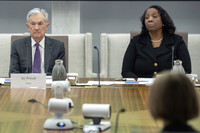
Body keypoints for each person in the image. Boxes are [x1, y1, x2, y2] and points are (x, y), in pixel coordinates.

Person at [121, 5, 191, 78]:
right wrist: (139, 83)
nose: (150, 19)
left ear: (163, 20)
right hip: (141, 87)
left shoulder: (177, 41)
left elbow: (187, 71)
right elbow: (126, 71)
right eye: (147, 17)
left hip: (169, 87)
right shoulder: (136, 41)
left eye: (154, 16)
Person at [9, 8, 65, 74]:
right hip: (26, 83)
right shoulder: (17, 46)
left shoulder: (58, 47)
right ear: (28, 26)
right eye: (33, 24)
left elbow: (60, 74)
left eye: (40, 24)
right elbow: (13, 73)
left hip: (48, 83)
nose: (36, 28)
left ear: (47, 26)